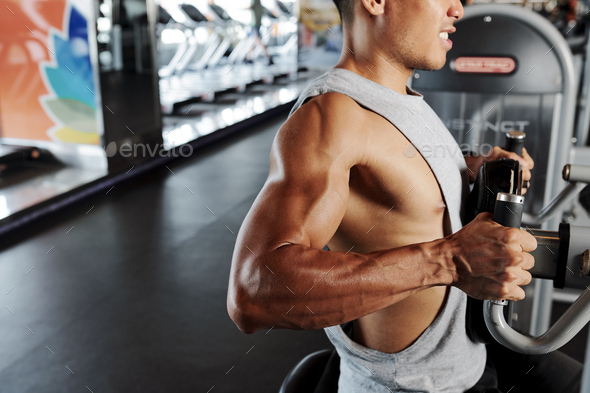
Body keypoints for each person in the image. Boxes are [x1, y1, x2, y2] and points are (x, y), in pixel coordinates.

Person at [227, 0, 581, 391]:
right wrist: (448, 261)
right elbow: (255, 291)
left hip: (471, 361)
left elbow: (402, 194)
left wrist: (472, 173)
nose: (457, 9)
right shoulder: (331, 118)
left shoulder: (399, 96)